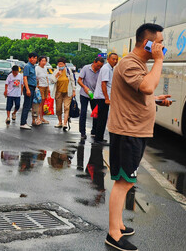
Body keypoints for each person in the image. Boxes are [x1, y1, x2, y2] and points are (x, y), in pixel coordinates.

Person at [105, 23, 172, 251]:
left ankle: (119, 224)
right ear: (148, 43)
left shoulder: (139, 64)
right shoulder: (129, 63)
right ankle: (113, 234)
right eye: (160, 43)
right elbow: (146, 87)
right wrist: (160, 60)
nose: (163, 47)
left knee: (127, 180)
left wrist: (156, 101)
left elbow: (141, 94)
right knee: (123, 182)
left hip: (134, 130)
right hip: (128, 131)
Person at [93, 53, 119, 144]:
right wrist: (107, 98)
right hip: (102, 97)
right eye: (113, 59)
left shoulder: (110, 68)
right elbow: (103, 84)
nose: (115, 61)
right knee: (102, 118)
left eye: (116, 59)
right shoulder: (106, 69)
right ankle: (98, 139)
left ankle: (99, 137)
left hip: (104, 97)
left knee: (103, 118)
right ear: (108, 59)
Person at [78, 57, 104, 139]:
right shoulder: (86, 68)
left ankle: (94, 131)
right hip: (84, 94)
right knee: (83, 112)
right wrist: (84, 87)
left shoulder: (101, 71)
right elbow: (79, 80)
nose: (99, 67)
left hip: (95, 95)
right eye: (98, 65)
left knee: (96, 113)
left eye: (100, 66)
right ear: (94, 62)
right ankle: (82, 132)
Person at [50, 57, 76, 131]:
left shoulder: (68, 71)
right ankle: (60, 122)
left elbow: (72, 80)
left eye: (61, 64)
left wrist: (74, 91)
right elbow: (52, 81)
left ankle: (65, 123)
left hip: (68, 92)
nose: (60, 66)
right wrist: (57, 75)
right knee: (58, 108)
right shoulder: (56, 71)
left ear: (64, 64)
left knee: (66, 107)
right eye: (59, 64)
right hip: (58, 92)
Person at [20, 52, 38, 130]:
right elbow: (25, 78)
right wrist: (27, 89)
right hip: (29, 87)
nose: (35, 60)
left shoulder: (33, 66)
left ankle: (25, 122)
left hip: (32, 88)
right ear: (30, 58)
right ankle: (23, 123)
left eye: (36, 58)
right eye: (34, 58)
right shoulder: (27, 66)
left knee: (29, 106)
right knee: (26, 106)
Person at [35, 56, 50, 124]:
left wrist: (48, 87)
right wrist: (37, 86)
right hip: (40, 87)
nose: (44, 62)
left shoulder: (45, 68)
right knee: (39, 103)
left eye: (45, 61)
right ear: (39, 61)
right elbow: (35, 78)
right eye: (42, 61)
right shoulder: (37, 68)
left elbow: (46, 77)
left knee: (43, 103)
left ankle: (42, 117)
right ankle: (38, 118)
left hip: (45, 86)